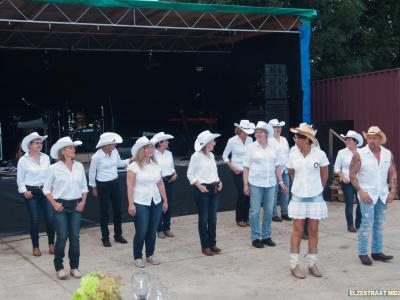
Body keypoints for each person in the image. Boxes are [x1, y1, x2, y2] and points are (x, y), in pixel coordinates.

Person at [349, 126, 397, 266]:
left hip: (382, 194)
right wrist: (360, 191)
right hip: (367, 194)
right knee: (366, 223)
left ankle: (376, 252)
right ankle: (363, 253)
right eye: (369, 138)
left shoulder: (388, 154)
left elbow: (392, 172)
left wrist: (393, 191)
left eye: (374, 138)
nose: (371, 140)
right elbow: (352, 174)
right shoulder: (360, 154)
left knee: (379, 223)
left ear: (380, 139)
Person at [43, 137, 88, 280]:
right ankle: (59, 267)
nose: (73, 150)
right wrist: (55, 204)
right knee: (62, 236)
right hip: (60, 205)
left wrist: (83, 202)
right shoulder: (53, 168)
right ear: (63, 151)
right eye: (70, 148)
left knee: (75, 237)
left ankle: (74, 267)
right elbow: (46, 189)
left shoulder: (79, 166)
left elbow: (84, 187)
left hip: (76, 205)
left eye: (73, 147)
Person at [287, 123, 329, 279]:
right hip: (298, 197)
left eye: (297, 137)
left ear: (306, 140)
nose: (295, 139)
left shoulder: (320, 154)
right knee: (297, 231)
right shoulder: (292, 154)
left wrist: (319, 189)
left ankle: (312, 263)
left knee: (313, 230)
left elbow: (325, 174)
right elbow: (291, 171)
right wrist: (298, 185)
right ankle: (294, 265)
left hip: (315, 197)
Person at [243, 121, 287, 249]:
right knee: (255, 211)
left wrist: (281, 182)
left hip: (270, 183)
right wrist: (245, 185)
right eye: (256, 132)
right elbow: (246, 168)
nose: (257, 134)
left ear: (266, 133)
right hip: (255, 183)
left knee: (268, 211)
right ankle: (256, 237)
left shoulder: (274, 147)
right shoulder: (251, 147)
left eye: (260, 131)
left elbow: (277, 166)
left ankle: (266, 236)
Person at [127, 136, 168, 268]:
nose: (150, 149)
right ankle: (137, 256)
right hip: (140, 201)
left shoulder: (156, 165)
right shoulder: (133, 166)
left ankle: (150, 254)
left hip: (155, 201)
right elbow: (130, 186)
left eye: (151, 147)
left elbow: (160, 184)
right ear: (141, 150)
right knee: (142, 230)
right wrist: (131, 203)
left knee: (152, 230)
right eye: (147, 147)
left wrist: (165, 201)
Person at [89, 132, 133, 247]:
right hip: (102, 185)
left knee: (117, 210)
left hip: (115, 183)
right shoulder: (97, 157)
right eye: (113, 144)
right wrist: (94, 187)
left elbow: (119, 163)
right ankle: (105, 237)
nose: (115, 146)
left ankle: (118, 235)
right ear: (106, 145)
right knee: (105, 212)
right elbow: (92, 173)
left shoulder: (115, 152)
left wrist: (130, 160)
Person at [16, 132, 54, 257]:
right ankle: (35, 246)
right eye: (37, 143)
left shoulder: (46, 157)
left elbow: (50, 175)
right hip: (31, 192)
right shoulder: (23, 160)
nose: (40, 145)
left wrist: (51, 188)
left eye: (40, 142)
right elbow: (20, 179)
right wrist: (24, 191)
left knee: (50, 218)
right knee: (34, 219)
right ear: (30, 145)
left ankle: (51, 244)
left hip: (45, 191)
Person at [187, 130, 223, 256]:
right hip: (201, 189)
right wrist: (199, 185)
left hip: (214, 188)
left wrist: (219, 181)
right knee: (203, 219)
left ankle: (212, 243)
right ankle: (205, 246)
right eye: (213, 140)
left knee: (213, 218)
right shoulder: (196, 156)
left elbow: (214, 172)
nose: (215, 142)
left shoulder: (212, 156)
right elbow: (190, 174)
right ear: (207, 143)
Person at [222, 120, 255, 227]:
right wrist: (232, 167)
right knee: (242, 194)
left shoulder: (250, 139)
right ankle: (239, 218)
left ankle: (246, 218)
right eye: (245, 131)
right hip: (237, 171)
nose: (247, 133)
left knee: (248, 194)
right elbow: (224, 156)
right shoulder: (232, 140)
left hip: (249, 170)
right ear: (239, 130)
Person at [334, 130, 363, 233]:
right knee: (349, 203)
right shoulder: (341, 152)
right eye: (346, 139)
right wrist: (343, 177)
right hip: (346, 181)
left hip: (359, 182)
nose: (347, 141)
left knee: (361, 203)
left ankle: (358, 223)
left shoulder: (361, 152)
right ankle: (350, 225)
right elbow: (336, 168)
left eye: (349, 140)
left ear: (355, 141)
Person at [151, 132, 178, 239]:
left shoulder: (169, 153)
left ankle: (167, 228)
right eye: (166, 141)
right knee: (159, 205)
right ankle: (159, 228)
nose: (168, 142)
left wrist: (175, 174)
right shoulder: (153, 154)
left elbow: (171, 167)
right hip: (158, 181)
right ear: (160, 143)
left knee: (168, 204)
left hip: (169, 180)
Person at [269, 119, 291, 222]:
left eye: (279, 127)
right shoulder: (268, 140)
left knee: (285, 192)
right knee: (273, 193)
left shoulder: (284, 139)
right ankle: (274, 214)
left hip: (285, 169)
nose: (278, 129)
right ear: (271, 129)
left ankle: (285, 213)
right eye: (275, 127)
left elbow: (288, 154)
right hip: (273, 170)